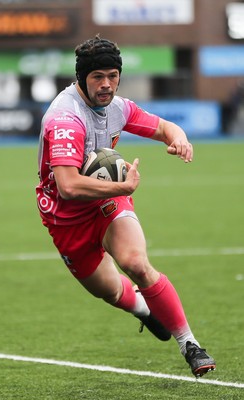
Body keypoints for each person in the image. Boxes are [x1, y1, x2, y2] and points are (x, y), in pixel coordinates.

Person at [36, 35, 216, 377]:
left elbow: (164, 127)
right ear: (81, 79)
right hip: (66, 216)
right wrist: (124, 185)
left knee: (135, 262)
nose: (107, 85)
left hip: (106, 200)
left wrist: (179, 138)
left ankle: (190, 343)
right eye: (97, 77)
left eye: (113, 76)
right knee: (109, 290)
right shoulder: (65, 119)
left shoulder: (117, 106)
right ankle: (144, 310)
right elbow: (69, 186)